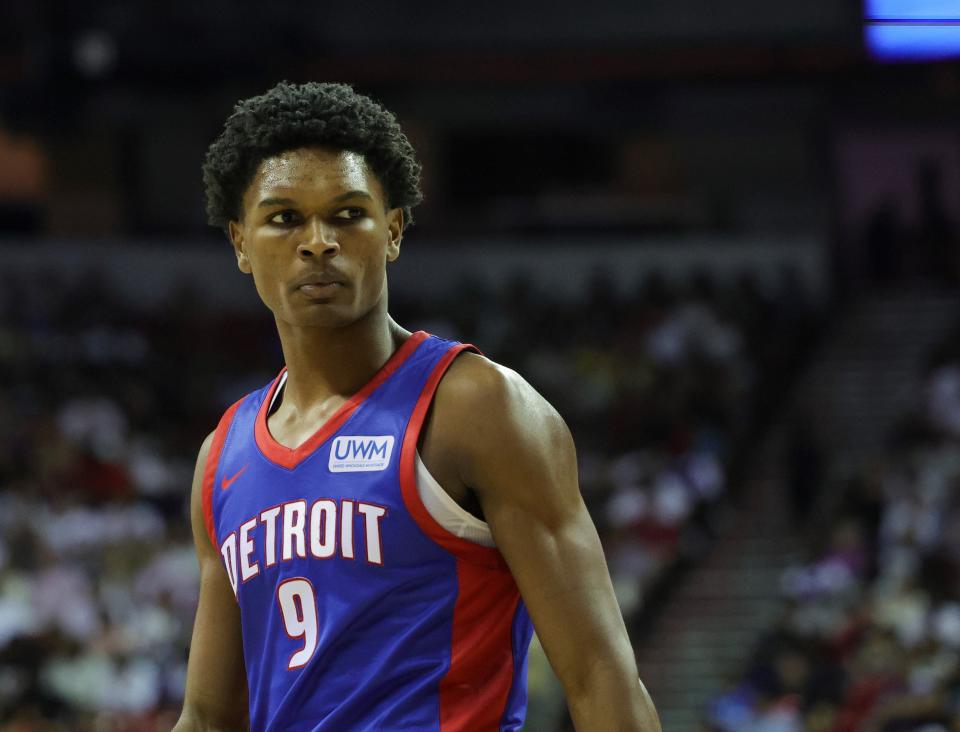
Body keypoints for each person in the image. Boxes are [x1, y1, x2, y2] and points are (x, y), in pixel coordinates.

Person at [173, 81, 661, 732]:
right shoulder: (222, 456)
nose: (318, 241)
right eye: (284, 217)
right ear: (240, 243)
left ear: (394, 230)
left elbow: (601, 676)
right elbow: (207, 717)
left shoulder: (478, 407)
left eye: (347, 213)